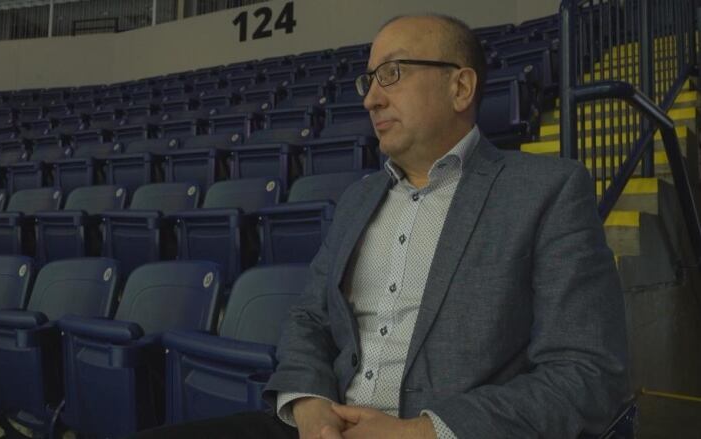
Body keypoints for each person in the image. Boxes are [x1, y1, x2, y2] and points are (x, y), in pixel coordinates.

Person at [134, 13, 629, 439]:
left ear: (460, 87)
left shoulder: (547, 189)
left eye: (391, 74)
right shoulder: (357, 198)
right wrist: (307, 403)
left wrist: (425, 430)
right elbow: (310, 319)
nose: (371, 98)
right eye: (369, 80)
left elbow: (587, 373)